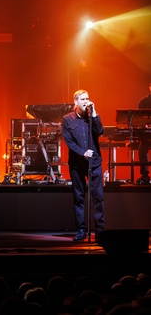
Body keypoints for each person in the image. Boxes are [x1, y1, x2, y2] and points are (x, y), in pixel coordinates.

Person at [62, 89, 105, 242]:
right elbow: (69, 141)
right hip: (77, 163)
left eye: (87, 98)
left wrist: (95, 114)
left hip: (94, 163)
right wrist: (83, 152)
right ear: (76, 102)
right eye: (83, 99)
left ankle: (100, 231)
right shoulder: (67, 119)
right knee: (79, 197)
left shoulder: (92, 117)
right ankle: (81, 230)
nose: (86, 101)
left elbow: (100, 131)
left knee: (98, 197)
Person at [136, 81, 151, 184]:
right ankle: (145, 175)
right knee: (142, 148)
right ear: (150, 87)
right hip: (146, 134)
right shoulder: (143, 101)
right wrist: (144, 125)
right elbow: (139, 119)